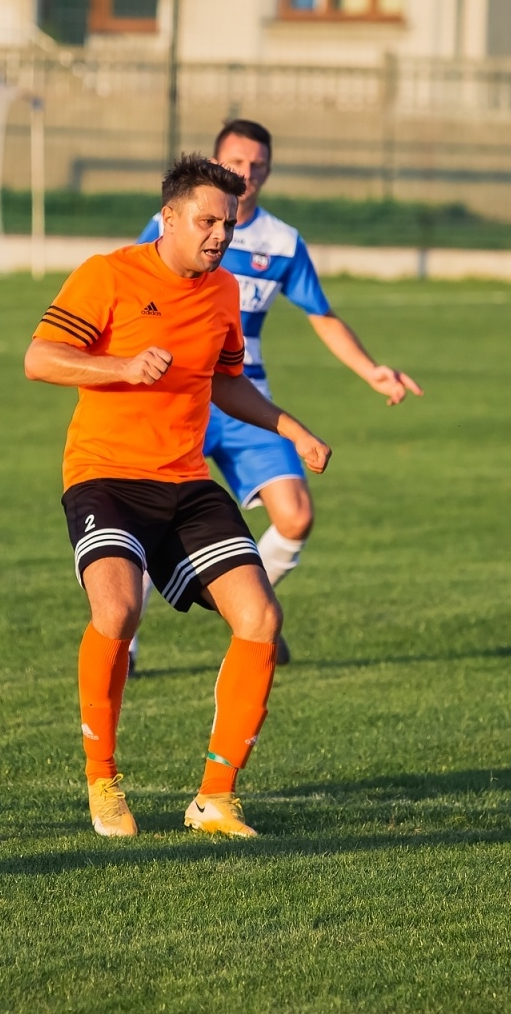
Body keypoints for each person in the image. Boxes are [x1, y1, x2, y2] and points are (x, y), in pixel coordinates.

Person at [24, 155, 331, 840]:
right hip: (105, 475)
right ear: (169, 217)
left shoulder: (223, 294)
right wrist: (122, 367)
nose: (220, 234)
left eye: (227, 222)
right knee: (118, 608)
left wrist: (293, 429)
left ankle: (214, 799)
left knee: (259, 618)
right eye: (207, 220)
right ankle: (103, 782)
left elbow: (224, 381)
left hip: (187, 482)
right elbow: (39, 358)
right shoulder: (109, 273)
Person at [131, 118, 421, 669]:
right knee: (149, 522)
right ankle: (127, 642)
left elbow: (322, 315)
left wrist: (372, 372)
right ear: (215, 164)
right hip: (178, 397)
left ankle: (250, 611)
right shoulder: (171, 226)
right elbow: (133, 289)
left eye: (258, 164)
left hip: (244, 401)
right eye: (237, 162)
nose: (248, 172)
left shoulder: (283, 242)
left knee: (295, 516)